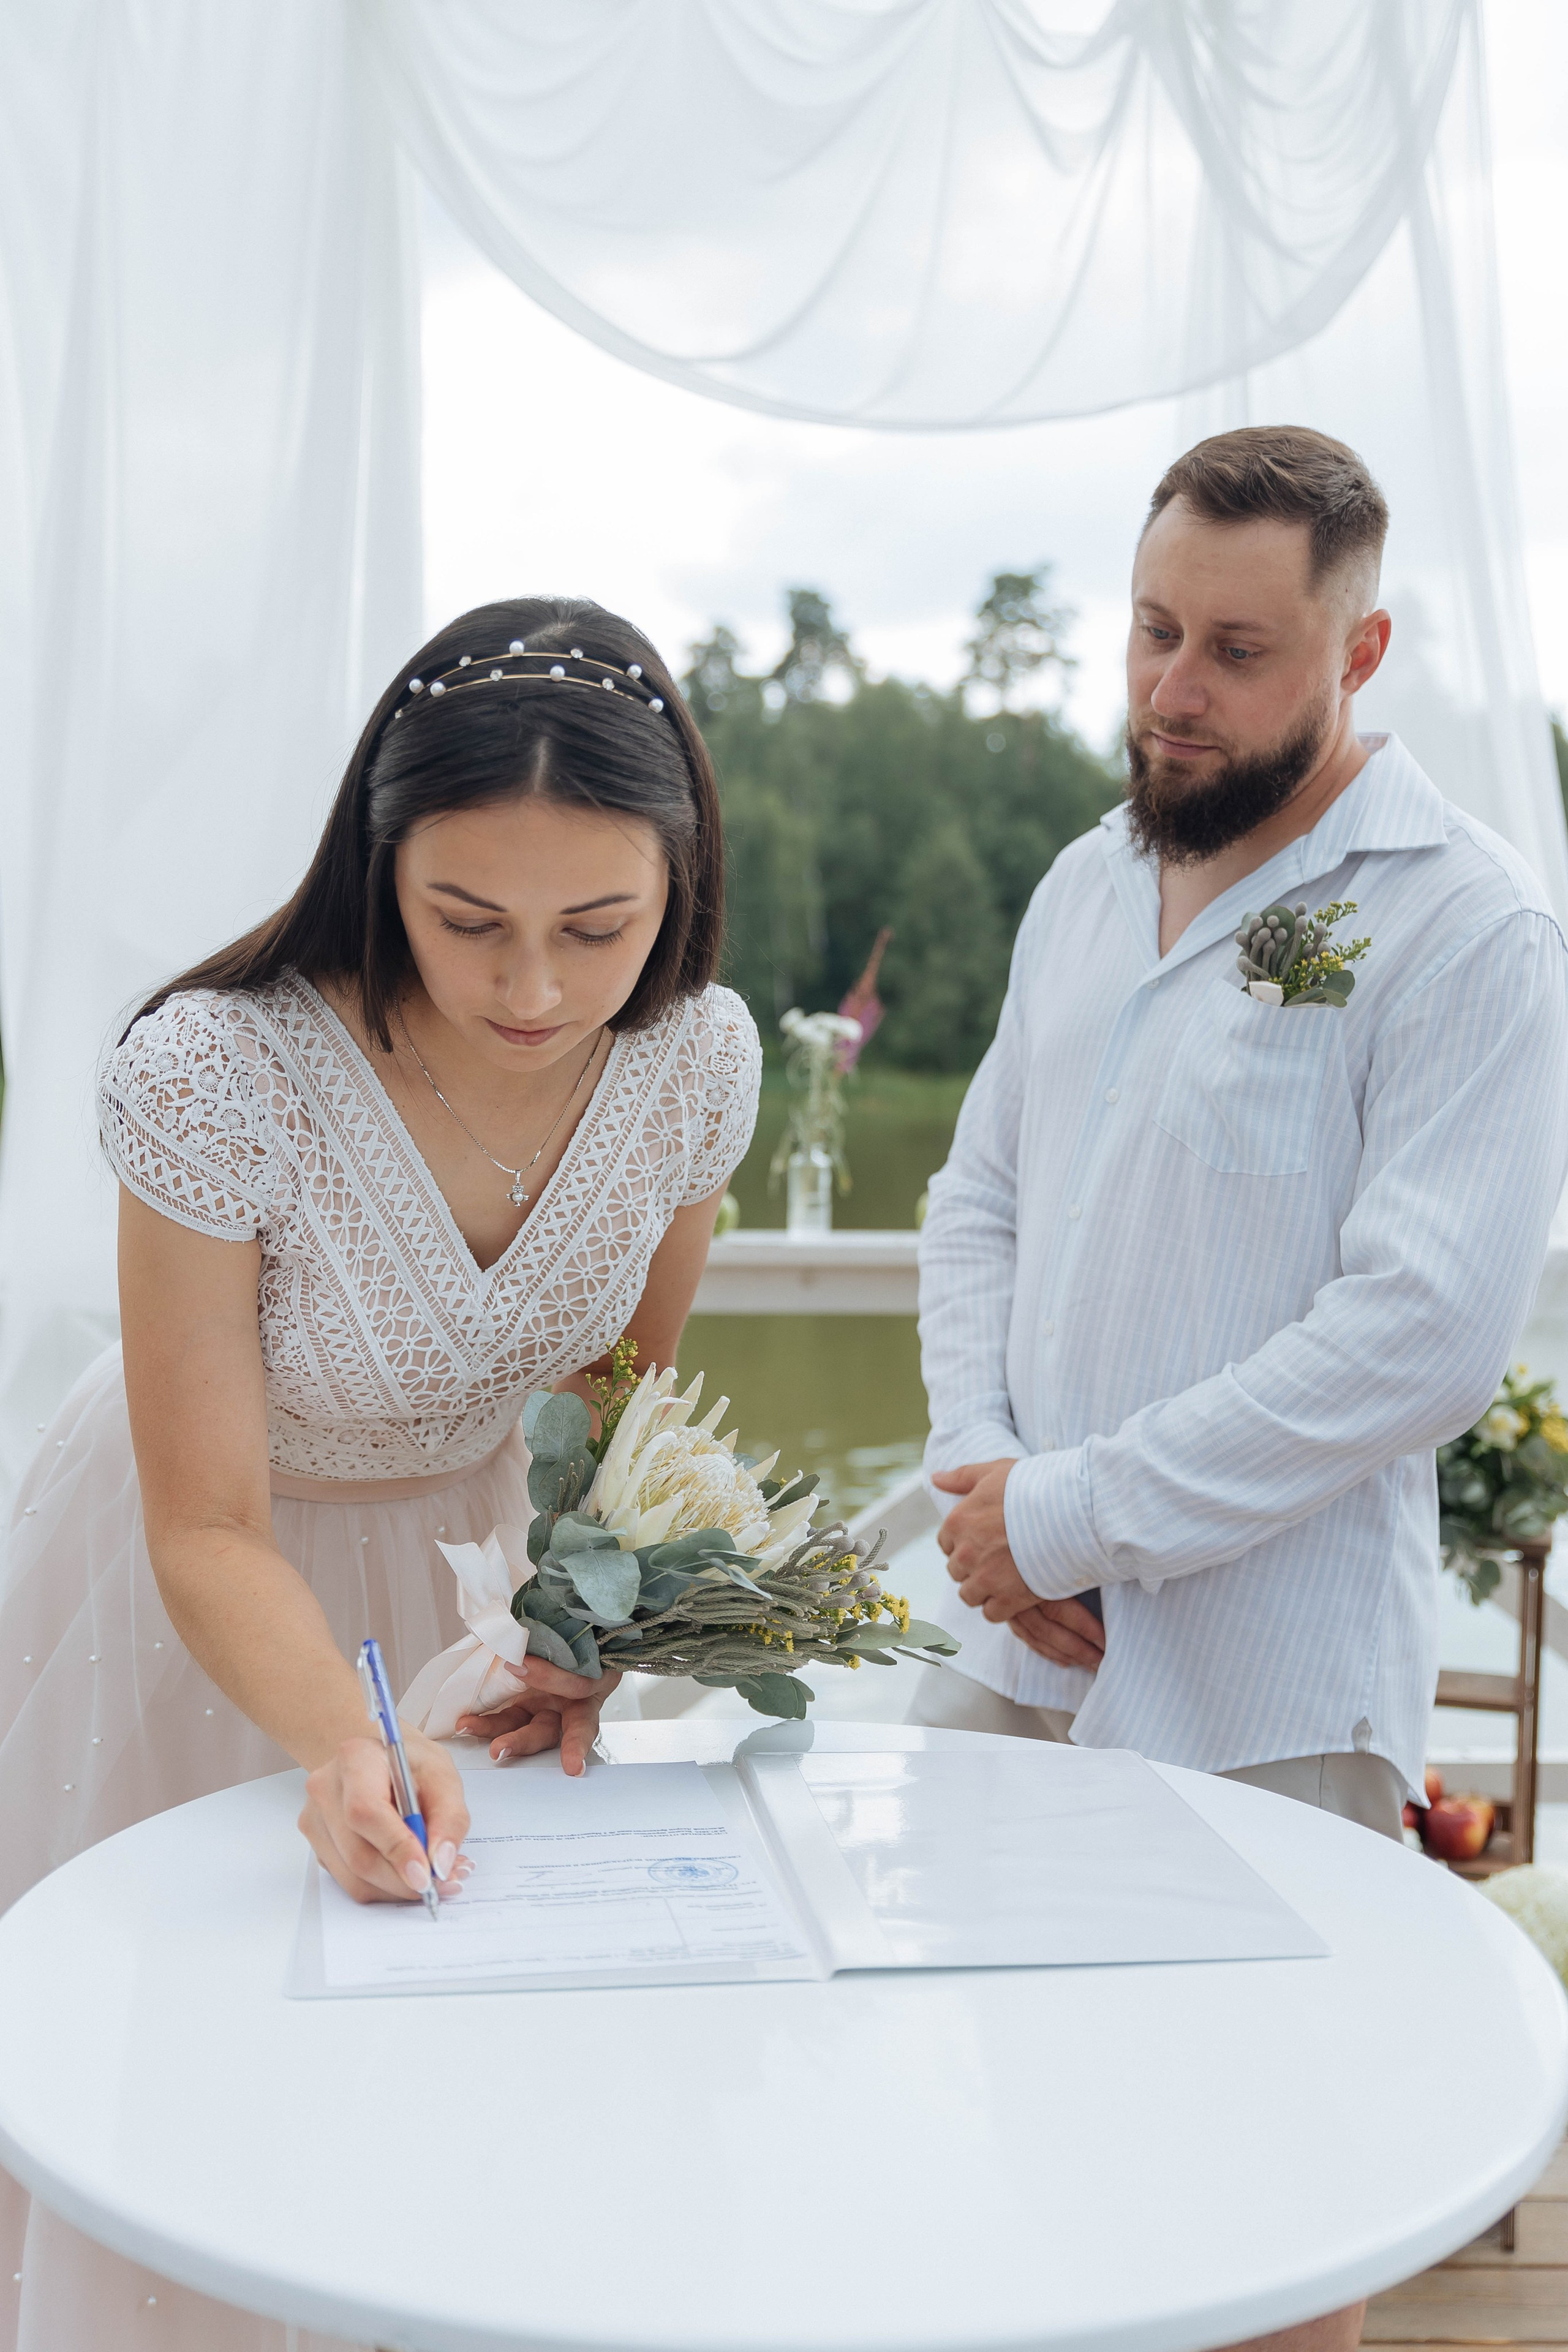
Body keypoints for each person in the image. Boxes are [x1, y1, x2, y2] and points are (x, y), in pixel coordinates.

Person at [0, 597, 760, 2352]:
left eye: (599, 927)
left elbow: (608, 1400)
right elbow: (201, 1515)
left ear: (679, 885)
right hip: (195, 1581)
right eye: (466, 920)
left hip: (473, 1585)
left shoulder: (694, 1064)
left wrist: (581, 1610)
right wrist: (352, 1743)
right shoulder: (217, 1075)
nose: (535, 989)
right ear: (378, 859)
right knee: (186, 2092)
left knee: (466, 2114)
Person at [911, 428, 1568, 2349]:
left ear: (1362, 656)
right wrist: (981, 1475)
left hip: (1270, 1678)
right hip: (1010, 1640)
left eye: (1239, 651)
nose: (1173, 692)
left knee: (1264, 2202)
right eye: (1150, 632)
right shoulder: (1082, 884)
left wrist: (1067, 1514)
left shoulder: (1471, 925)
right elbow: (978, 1202)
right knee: (999, 2128)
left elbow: (1424, 1332)